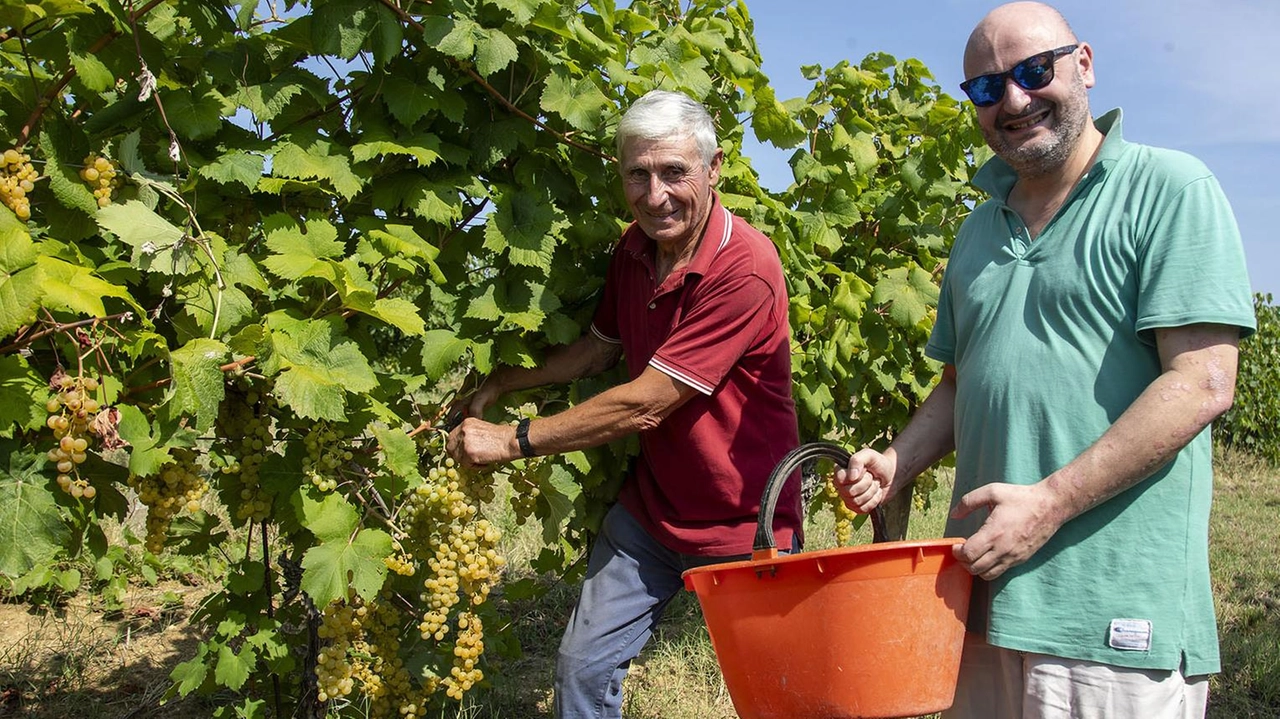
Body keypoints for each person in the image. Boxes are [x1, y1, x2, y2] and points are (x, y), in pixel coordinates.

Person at [833, 3, 1256, 718]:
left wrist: (1049, 504)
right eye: (987, 88)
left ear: (1083, 63)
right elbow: (961, 383)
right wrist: (897, 461)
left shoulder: (1169, 190)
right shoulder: (978, 227)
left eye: (1034, 72)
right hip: (979, 598)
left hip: (1110, 615)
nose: (1015, 100)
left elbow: (1202, 384)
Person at [446, 89, 801, 719]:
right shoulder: (634, 248)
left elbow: (645, 404)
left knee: (777, 697)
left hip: (745, 525)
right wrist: (503, 381)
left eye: (673, 172)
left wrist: (511, 439)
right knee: (581, 669)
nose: (654, 194)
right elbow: (597, 350)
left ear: (714, 169)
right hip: (654, 511)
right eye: (637, 173)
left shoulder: (743, 267)